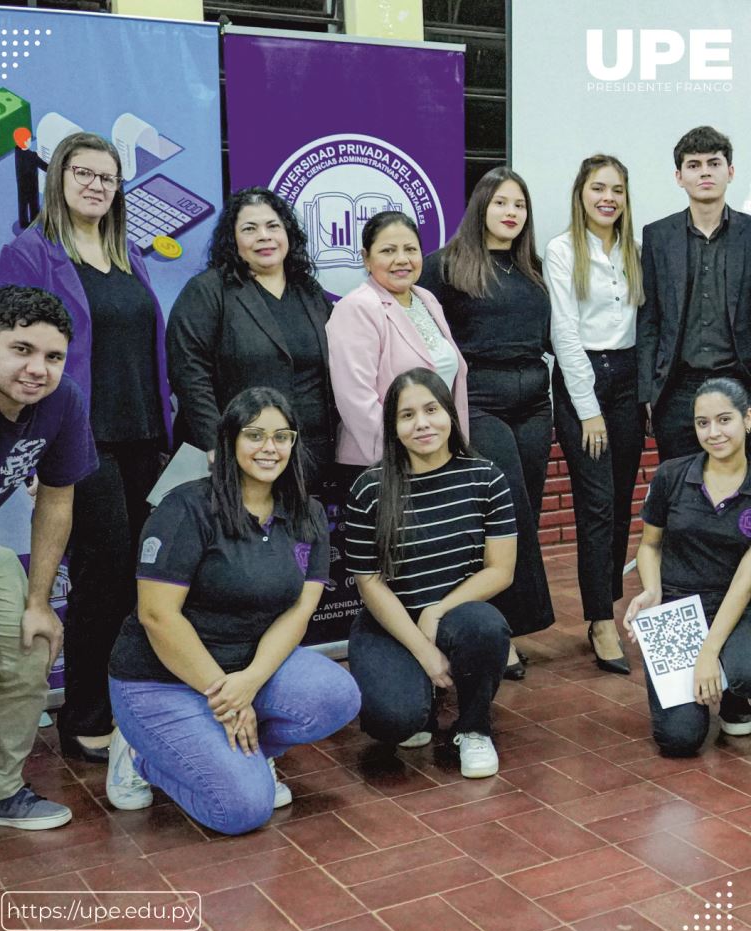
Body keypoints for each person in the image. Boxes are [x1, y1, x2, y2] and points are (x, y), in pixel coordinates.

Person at [0, 131, 172, 762]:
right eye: (83, 173)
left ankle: (128, 704)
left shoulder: (130, 254)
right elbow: (18, 360)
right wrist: (37, 447)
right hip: (82, 439)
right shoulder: (30, 252)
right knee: (103, 577)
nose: (96, 185)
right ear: (58, 179)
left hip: (147, 436)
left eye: (108, 176)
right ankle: (84, 717)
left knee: (142, 577)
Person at [106, 387, 361, 834]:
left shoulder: (308, 513)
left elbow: (300, 612)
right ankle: (141, 756)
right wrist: (226, 697)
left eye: (282, 437)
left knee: (337, 696)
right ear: (229, 441)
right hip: (161, 679)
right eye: (255, 435)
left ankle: (242, 753)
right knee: (242, 810)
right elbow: (157, 616)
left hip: (243, 672)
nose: (270, 448)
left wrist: (251, 681)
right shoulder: (187, 507)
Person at [345, 369, 515, 778]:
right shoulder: (369, 488)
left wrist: (438, 611)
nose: (421, 423)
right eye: (407, 415)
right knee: (395, 723)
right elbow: (370, 584)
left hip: (455, 614)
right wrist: (423, 650)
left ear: (450, 415)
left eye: (431, 410)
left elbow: (501, 570)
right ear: (393, 427)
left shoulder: (486, 477)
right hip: (390, 622)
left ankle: (473, 729)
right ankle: (421, 703)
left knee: (486, 627)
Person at [420, 168, 554, 676]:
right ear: (481, 207)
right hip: (479, 403)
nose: (511, 212)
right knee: (504, 514)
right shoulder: (445, 266)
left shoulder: (533, 269)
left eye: (519, 204)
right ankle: (503, 630)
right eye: (501, 202)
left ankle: (502, 625)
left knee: (529, 512)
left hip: (534, 404)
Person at [0, 285, 96, 830]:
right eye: (21, 349)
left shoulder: (63, 401)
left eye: (52, 357)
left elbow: (56, 499)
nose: (37, 369)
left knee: (29, 640)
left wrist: (38, 601)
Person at [544, 154, 644, 674]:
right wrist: (588, 411)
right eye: (598, 188)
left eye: (618, 190)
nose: (608, 197)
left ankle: (605, 600)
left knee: (623, 500)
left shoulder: (634, 250)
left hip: (627, 379)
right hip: (584, 380)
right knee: (597, 503)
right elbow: (564, 333)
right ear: (580, 193)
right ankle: (600, 618)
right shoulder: (562, 250)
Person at [166, 187, 337, 484]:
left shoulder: (309, 292)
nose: (264, 236)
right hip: (238, 458)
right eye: (249, 229)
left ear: (288, 233)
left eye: (273, 226)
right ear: (233, 239)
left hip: (311, 457)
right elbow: (189, 372)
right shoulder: (207, 291)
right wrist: (214, 442)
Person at [624, 378, 751, 757]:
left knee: (744, 670)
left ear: (748, 419)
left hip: (741, 605)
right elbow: (649, 545)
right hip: (679, 608)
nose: (714, 433)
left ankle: (735, 694)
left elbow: (745, 584)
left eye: (724, 420)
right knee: (679, 740)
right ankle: (723, 685)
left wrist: (708, 653)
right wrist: (651, 591)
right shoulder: (671, 475)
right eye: (702, 423)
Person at [637, 126, 751, 462]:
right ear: (679, 176)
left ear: (729, 172)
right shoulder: (658, 236)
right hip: (677, 390)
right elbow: (649, 319)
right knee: (682, 493)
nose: (704, 172)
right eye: (694, 164)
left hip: (740, 382)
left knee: (742, 496)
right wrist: (648, 392)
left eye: (714, 163)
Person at [327, 211, 468, 467]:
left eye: (410, 249)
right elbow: (356, 399)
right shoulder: (357, 307)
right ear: (366, 258)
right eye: (388, 251)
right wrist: (401, 457)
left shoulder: (427, 299)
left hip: (437, 455)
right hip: (383, 463)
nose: (402, 260)